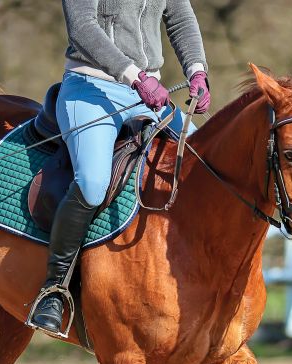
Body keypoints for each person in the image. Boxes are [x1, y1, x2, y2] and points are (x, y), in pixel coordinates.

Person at [28, 0, 211, 335]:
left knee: (203, 170)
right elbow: (83, 27)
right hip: (91, 89)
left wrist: (197, 70)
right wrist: (133, 76)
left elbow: (180, 16)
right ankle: (54, 290)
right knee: (93, 182)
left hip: (149, 95)